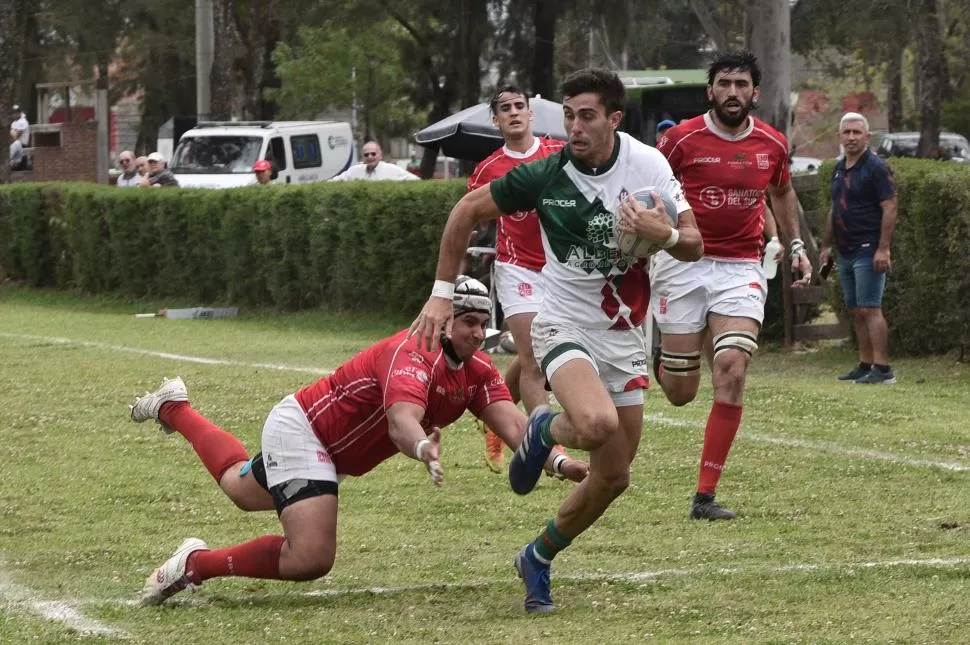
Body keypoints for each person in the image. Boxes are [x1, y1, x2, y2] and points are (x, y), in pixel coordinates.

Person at [409, 68, 703, 613]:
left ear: (614, 118)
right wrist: (441, 294)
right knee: (595, 425)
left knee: (613, 476)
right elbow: (465, 212)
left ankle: (537, 556)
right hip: (562, 320)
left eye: (587, 116)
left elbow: (693, 243)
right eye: (568, 116)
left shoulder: (649, 166)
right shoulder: (547, 175)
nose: (575, 127)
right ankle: (543, 426)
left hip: (621, 333)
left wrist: (663, 235)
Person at [129, 276, 587, 606]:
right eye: (467, 320)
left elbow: (513, 426)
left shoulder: (477, 371)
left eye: (482, 322)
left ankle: (174, 406)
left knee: (238, 486)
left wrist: (560, 462)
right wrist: (423, 449)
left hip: (325, 450)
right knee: (311, 556)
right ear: (444, 321)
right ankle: (196, 566)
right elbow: (401, 421)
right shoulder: (412, 353)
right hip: (304, 430)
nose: (475, 331)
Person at [653, 51, 812, 521]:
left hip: (740, 266)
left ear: (755, 92)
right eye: (724, 84)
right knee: (680, 392)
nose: (733, 93)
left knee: (732, 367)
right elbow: (648, 185)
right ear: (711, 91)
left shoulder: (772, 144)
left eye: (742, 84)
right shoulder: (680, 140)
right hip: (683, 261)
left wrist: (795, 243)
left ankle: (704, 496)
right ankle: (675, 350)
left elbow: (781, 191)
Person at [465, 85, 566, 472]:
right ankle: (545, 448)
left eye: (519, 106)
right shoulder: (488, 169)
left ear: (530, 113)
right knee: (533, 360)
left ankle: (495, 417)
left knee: (541, 356)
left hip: (561, 270)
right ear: (495, 120)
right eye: (504, 108)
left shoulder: (557, 155)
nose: (513, 113)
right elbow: (469, 220)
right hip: (516, 267)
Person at [819, 112, 897, 384]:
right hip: (846, 249)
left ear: (867, 136)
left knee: (870, 308)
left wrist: (883, 248)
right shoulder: (840, 167)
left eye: (856, 132)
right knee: (855, 309)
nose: (851, 137)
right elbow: (835, 206)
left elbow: (890, 207)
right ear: (839, 136)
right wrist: (827, 244)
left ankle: (883, 369)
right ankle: (865, 363)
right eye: (847, 132)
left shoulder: (876, 167)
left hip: (869, 247)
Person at [330, 141, 419, 181]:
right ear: (363, 157)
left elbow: (416, 180)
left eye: (373, 154)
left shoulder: (392, 170)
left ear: (380, 155)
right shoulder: (354, 171)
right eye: (366, 154)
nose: (370, 156)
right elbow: (335, 181)